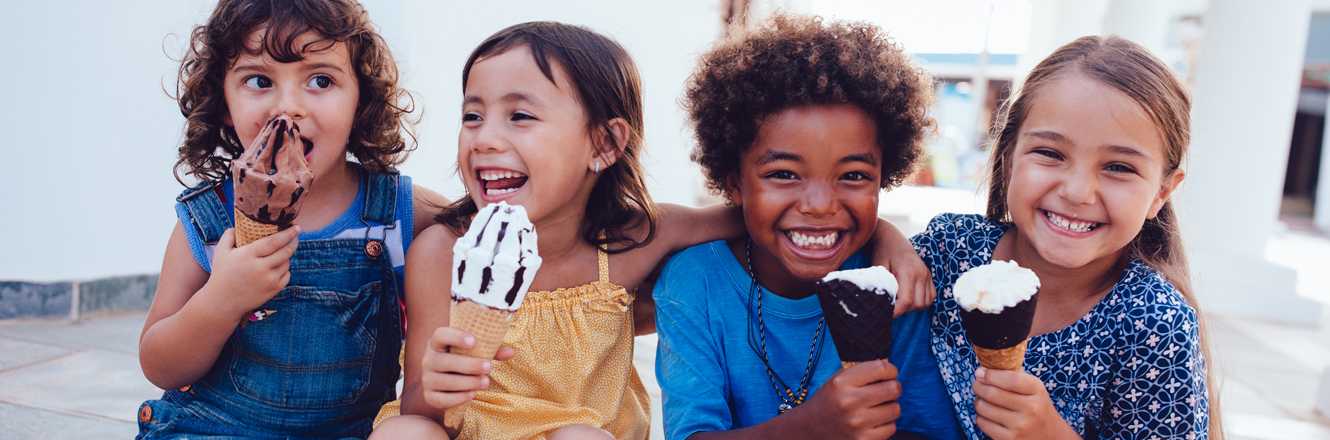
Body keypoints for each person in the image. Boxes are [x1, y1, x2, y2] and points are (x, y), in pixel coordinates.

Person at [370, 21, 934, 440]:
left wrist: (885, 235)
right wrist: (436, 388)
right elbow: (422, 411)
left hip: (582, 430)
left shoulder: (637, 240)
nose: (485, 137)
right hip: (468, 430)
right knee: (403, 433)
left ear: (605, 144)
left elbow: (769, 214)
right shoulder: (442, 251)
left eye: (520, 116)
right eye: (473, 115)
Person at [135, 0, 446, 437]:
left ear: (361, 98)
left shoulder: (398, 213)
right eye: (259, 80)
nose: (288, 107)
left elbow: (485, 226)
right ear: (224, 101)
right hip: (216, 429)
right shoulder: (210, 219)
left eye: (321, 80)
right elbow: (159, 365)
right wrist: (220, 301)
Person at [654, 13, 963, 440]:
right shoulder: (693, 284)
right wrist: (812, 427)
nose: (820, 205)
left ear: (883, 178)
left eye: (853, 175)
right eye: (783, 173)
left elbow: (927, 430)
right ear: (733, 182)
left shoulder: (896, 286)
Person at [912, 35, 1218, 440]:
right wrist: (886, 240)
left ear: (1161, 192)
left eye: (1119, 167)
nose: (1076, 191)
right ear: (1008, 156)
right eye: (1051, 154)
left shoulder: (1154, 325)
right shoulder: (950, 250)